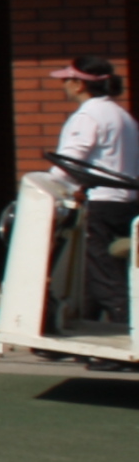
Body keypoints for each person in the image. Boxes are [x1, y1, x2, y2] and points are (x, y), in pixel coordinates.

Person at [52, 59, 138, 330]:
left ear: (79, 84)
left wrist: (49, 189)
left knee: (104, 275)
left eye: (66, 80)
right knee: (93, 272)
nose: (63, 85)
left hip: (102, 205)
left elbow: (68, 164)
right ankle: (83, 326)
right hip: (125, 204)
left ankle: (128, 330)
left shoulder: (88, 116)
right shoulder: (122, 115)